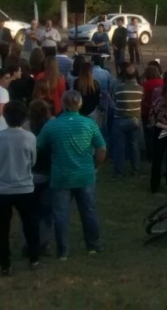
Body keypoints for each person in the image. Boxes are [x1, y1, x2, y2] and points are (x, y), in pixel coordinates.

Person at [37, 90, 107, 258]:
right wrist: (96, 166)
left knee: (61, 214)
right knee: (88, 211)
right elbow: (101, 148)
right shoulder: (89, 124)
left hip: (61, 175)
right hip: (85, 174)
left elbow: (38, 146)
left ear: (62, 104)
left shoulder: (52, 125)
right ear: (80, 104)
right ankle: (93, 245)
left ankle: (63, 251)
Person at [0, 100, 40, 275]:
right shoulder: (30, 137)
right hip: (24, 187)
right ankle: (34, 258)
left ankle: (4, 263)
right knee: (30, 224)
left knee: (1, 228)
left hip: (1, 188)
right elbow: (33, 161)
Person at [27, 100, 54, 259]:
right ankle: (44, 243)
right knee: (46, 212)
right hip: (48, 171)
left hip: (30, 172)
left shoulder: (25, 127)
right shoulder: (52, 126)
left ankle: (29, 242)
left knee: (30, 213)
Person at [113, 63, 144, 178]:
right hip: (135, 119)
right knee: (134, 146)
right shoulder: (140, 89)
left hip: (120, 118)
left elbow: (114, 99)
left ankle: (119, 172)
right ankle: (136, 171)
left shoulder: (118, 88)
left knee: (119, 147)